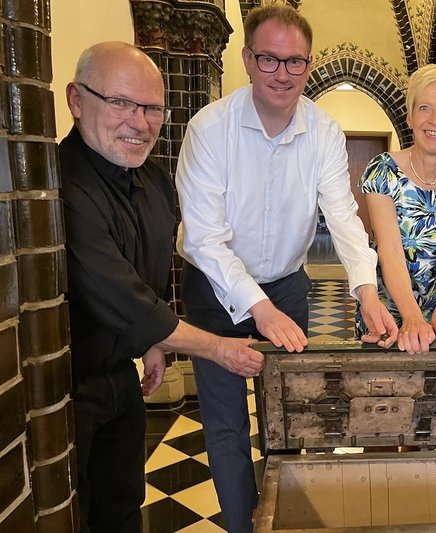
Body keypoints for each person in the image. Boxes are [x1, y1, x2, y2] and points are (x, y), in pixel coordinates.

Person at [174, 5, 399, 531]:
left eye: (294, 61)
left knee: (288, 420)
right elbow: (205, 239)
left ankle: (284, 522)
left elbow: (343, 216)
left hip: (288, 285)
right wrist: (259, 306)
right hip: (216, 291)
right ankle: (241, 526)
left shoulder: (323, 131)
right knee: (228, 427)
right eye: (269, 59)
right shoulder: (210, 129)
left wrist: (366, 291)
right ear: (248, 60)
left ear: (309, 62)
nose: (282, 73)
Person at [60, 42, 265, 533]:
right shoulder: (59, 184)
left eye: (152, 108)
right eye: (121, 103)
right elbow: (117, 293)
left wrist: (153, 341)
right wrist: (217, 348)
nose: (139, 121)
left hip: (121, 376)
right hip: (67, 387)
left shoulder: (153, 180)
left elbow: (152, 273)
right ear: (76, 100)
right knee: (72, 512)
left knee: (123, 501)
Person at [354, 64, 436, 355]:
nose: (435, 120)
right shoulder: (382, 171)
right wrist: (411, 317)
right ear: (410, 116)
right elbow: (389, 250)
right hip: (385, 311)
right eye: (425, 107)